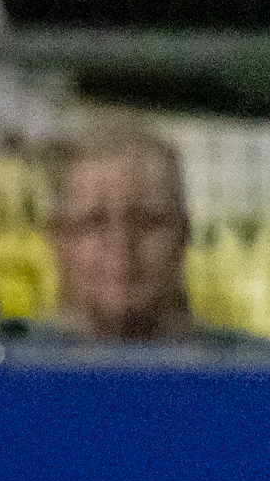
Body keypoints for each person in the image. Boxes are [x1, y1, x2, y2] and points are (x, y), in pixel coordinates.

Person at [44, 118, 202, 345]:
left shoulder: (243, 371)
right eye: (94, 222)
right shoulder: (8, 370)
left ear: (183, 235)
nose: (121, 244)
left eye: (145, 221)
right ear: (57, 237)